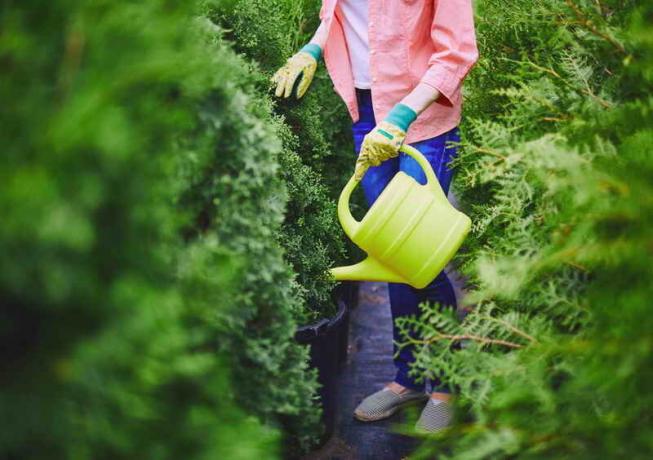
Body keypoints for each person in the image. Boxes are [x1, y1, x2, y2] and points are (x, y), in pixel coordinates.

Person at [272, 0, 478, 433]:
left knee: (419, 255)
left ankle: (444, 384)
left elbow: (458, 52)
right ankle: (407, 379)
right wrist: (313, 47)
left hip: (423, 121)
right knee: (389, 250)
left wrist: (403, 114)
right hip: (366, 112)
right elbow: (344, 14)